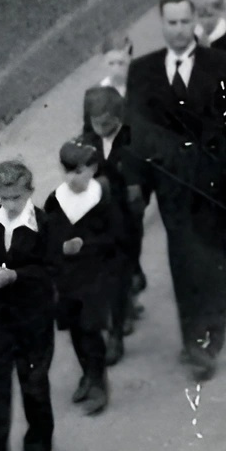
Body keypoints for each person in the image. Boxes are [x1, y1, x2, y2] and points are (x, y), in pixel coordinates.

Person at [125, 0, 226, 376]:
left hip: (214, 183)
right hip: (171, 185)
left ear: (195, 21)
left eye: (185, 22)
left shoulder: (222, 66)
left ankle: (208, 340)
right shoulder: (143, 71)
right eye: (172, 23)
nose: (179, 30)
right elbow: (135, 133)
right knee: (182, 259)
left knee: (212, 260)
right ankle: (192, 336)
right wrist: (136, 182)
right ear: (162, 24)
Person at [0, 156, 57, 451]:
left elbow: (50, 271)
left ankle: (38, 441)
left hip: (33, 315)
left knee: (33, 380)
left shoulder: (44, 224)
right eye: (3, 198)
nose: (9, 204)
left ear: (30, 192)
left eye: (16, 198)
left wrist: (15, 276)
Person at [43, 136, 124, 416]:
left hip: (95, 275)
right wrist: (59, 250)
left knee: (91, 329)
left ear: (92, 169)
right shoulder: (56, 200)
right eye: (67, 171)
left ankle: (99, 382)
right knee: (75, 330)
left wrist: (86, 245)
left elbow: (116, 237)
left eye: (78, 171)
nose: (72, 178)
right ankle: (87, 374)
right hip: (67, 277)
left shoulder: (102, 199)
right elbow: (49, 236)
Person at [80, 83, 144, 360]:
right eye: (96, 123)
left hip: (127, 218)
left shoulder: (131, 139)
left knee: (126, 267)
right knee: (110, 276)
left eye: (107, 124)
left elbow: (140, 177)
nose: (102, 129)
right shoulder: (86, 143)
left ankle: (128, 301)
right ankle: (116, 330)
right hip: (100, 222)